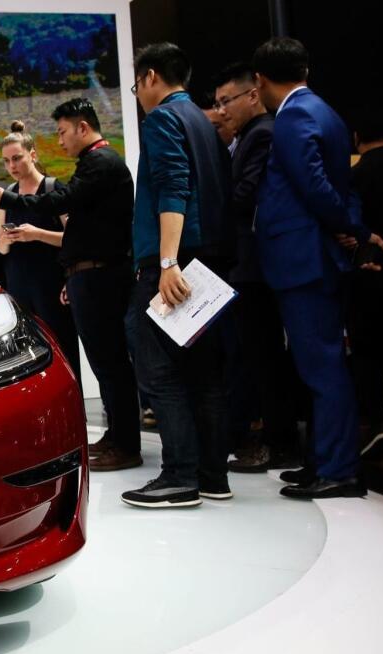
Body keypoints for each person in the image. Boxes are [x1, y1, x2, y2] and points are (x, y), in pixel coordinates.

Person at [251, 37, 383, 499]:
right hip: (314, 257)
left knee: (322, 367)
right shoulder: (326, 112)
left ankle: (339, 468)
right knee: (320, 365)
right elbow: (341, 186)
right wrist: (351, 225)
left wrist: (350, 227)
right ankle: (323, 462)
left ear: (261, 80)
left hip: (302, 259)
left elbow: (312, 185)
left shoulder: (292, 115)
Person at [0, 98, 140, 471]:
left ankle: (119, 440)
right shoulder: (93, 165)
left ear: (82, 127)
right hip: (51, 280)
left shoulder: (95, 166)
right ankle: (114, 436)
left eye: (63, 131)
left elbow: (63, 208)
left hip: (82, 277)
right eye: (6, 161)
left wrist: (29, 225)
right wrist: (6, 238)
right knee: (95, 362)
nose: (61, 140)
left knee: (99, 362)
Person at [121, 43, 234, 509]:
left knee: (158, 369)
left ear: (149, 77)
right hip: (208, 261)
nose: (137, 94)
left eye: (135, 84)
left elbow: (172, 186)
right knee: (204, 372)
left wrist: (167, 263)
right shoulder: (203, 123)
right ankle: (212, 475)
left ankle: (179, 477)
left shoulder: (163, 119)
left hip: (174, 266)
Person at [213, 62, 302, 473]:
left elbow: (245, 195)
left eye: (225, 101)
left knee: (263, 358)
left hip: (258, 266)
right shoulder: (250, 136)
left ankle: (278, 442)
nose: (221, 111)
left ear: (253, 95)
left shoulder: (263, 134)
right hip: (248, 265)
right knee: (253, 356)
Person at [0, 120, 81, 383]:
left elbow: (74, 239)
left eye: (16, 158)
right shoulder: (7, 194)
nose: (12, 166)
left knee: (63, 357)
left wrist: (36, 234)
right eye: (6, 161)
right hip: (19, 288)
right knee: (24, 361)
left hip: (52, 287)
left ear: (33, 155)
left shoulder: (53, 189)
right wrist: (5, 240)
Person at [345, 107, 383, 461]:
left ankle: (376, 422)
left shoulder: (358, 175)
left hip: (371, 273)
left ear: (356, 137)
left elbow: (348, 227)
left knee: (368, 353)